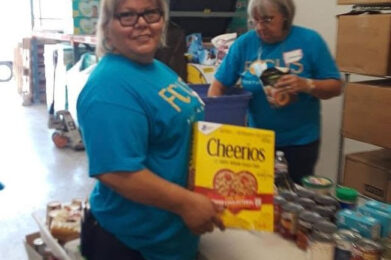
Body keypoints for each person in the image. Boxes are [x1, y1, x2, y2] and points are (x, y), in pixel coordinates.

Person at [76, 0, 224, 259]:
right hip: (131, 244)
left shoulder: (156, 68)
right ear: (108, 27)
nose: (142, 23)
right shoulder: (108, 87)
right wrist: (187, 203)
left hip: (172, 239)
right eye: (127, 16)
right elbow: (116, 171)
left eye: (150, 13)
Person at [208, 0, 342, 184]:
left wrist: (307, 85)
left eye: (267, 20)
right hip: (256, 142)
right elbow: (218, 85)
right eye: (254, 21)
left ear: (285, 16)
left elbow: (335, 86)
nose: (260, 28)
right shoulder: (244, 44)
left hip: (299, 144)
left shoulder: (310, 41)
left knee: (295, 202)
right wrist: (215, 126)